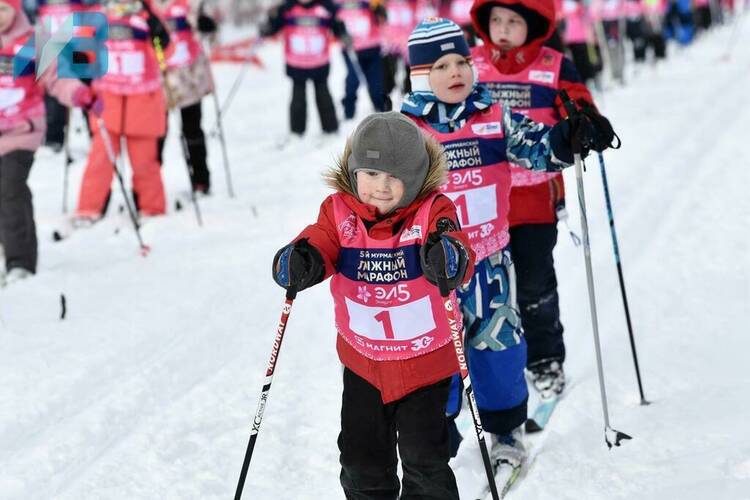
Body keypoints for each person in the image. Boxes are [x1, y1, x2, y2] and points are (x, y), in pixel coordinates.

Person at [400, 17, 612, 467]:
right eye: (441, 66)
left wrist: (569, 136)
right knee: (436, 357)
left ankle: (506, 433)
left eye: (461, 61)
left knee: (498, 349)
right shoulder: (407, 133)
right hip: (432, 273)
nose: (456, 71)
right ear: (420, 75)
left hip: (491, 264)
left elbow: (541, 148)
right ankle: (434, 441)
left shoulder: (493, 116)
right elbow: (380, 196)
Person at [271, 112, 475, 499]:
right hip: (364, 364)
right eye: (370, 173)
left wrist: (449, 255)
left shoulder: (433, 209)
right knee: (360, 461)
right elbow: (321, 240)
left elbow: (455, 242)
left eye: (395, 176)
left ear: (415, 177)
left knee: (424, 459)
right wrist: (304, 258)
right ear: (353, 171)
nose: (381, 187)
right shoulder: (338, 211)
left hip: (425, 363)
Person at [469, 0, 615, 399]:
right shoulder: (470, 62)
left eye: (513, 21)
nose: (502, 28)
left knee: (534, 284)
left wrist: (585, 120)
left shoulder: (553, 64)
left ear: (532, 25)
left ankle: (545, 358)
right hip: (479, 198)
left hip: (534, 196)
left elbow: (575, 98)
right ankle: (477, 367)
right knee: (481, 290)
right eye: (495, 19)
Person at [0, 0, 99, 284]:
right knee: (9, 193)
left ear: (17, 10)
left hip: (22, 131)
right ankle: (9, 245)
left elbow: (57, 78)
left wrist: (79, 94)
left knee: (9, 189)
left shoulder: (34, 41)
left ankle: (20, 262)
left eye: (3, 9)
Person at [74, 0, 171, 222]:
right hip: (108, 101)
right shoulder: (99, 15)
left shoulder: (148, 15)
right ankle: (89, 209)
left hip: (143, 101)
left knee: (145, 162)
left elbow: (165, 56)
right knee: (100, 159)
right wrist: (79, 60)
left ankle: (152, 208)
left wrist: (160, 38)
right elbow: (82, 48)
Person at [259, 0, 349, 140]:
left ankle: (330, 128)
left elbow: (336, 25)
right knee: (298, 99)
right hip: (296, 63)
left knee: (323, 96)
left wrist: (342, 33)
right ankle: (297, 131)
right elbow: (274, 26)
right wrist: (268, 26)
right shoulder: (287, 8)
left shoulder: (325, 7)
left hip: (319, 61)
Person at [153, 0, 217, 193]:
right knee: (156, 133)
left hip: (188, 75)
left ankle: (201, 181)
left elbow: (202, 24)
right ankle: (151, 187)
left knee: (192, 130)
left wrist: (205, 23)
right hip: (158, 78)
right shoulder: (146, 5)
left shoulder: (187, 3)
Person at [336, 0, 386, 119]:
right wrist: (340, 33)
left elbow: (382, 17)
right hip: (351, 49)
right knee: (353, 80)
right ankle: (349, 111)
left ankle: (380, 107)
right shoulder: (337, 3)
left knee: (376, 81)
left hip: (372, 47)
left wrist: (379, 10)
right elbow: (332, 19)